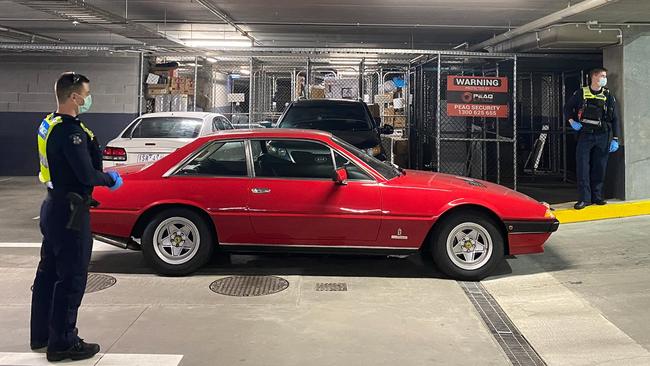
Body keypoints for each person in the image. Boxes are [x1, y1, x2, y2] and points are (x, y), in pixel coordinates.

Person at [31, 72, 123, 362]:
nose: (87, 98)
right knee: (71, 278)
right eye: (85, 93)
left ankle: (42, 336)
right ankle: (64, 343)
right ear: (74, 96)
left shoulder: (49, 123)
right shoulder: (70, 131)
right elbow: (85, 174)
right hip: (71, 212)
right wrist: (109, 179)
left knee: (48, 274)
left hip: (52, 205)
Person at [564, 67, 620, 210]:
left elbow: (615, 119)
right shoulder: (581, 93)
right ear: (593, 77)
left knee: (600, 167)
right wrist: (571, 122)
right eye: (602, 76)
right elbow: (567, 108)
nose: (604, 78)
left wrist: (615, 138)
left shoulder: (608, 96)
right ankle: (584, 199)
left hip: (603, 135)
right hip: (585, 135)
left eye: (605, 76)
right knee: (583, 167)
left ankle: (597, 197)